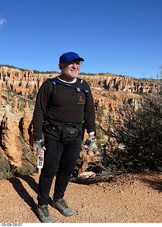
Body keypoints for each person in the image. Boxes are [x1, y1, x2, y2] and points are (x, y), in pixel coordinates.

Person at [33, 51, 96, 223]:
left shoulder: (84, 85)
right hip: (54, 135)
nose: (75, 66)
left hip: (75, 136)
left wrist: (92, 134)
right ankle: (42, 205)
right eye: (71, 63)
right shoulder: (50, 85)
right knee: (49, 171)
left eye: (78, 63)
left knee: (67, 170)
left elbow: (89, 111)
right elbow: (38, 111)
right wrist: (38, 137)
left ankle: (58, 198)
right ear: (60, 66)